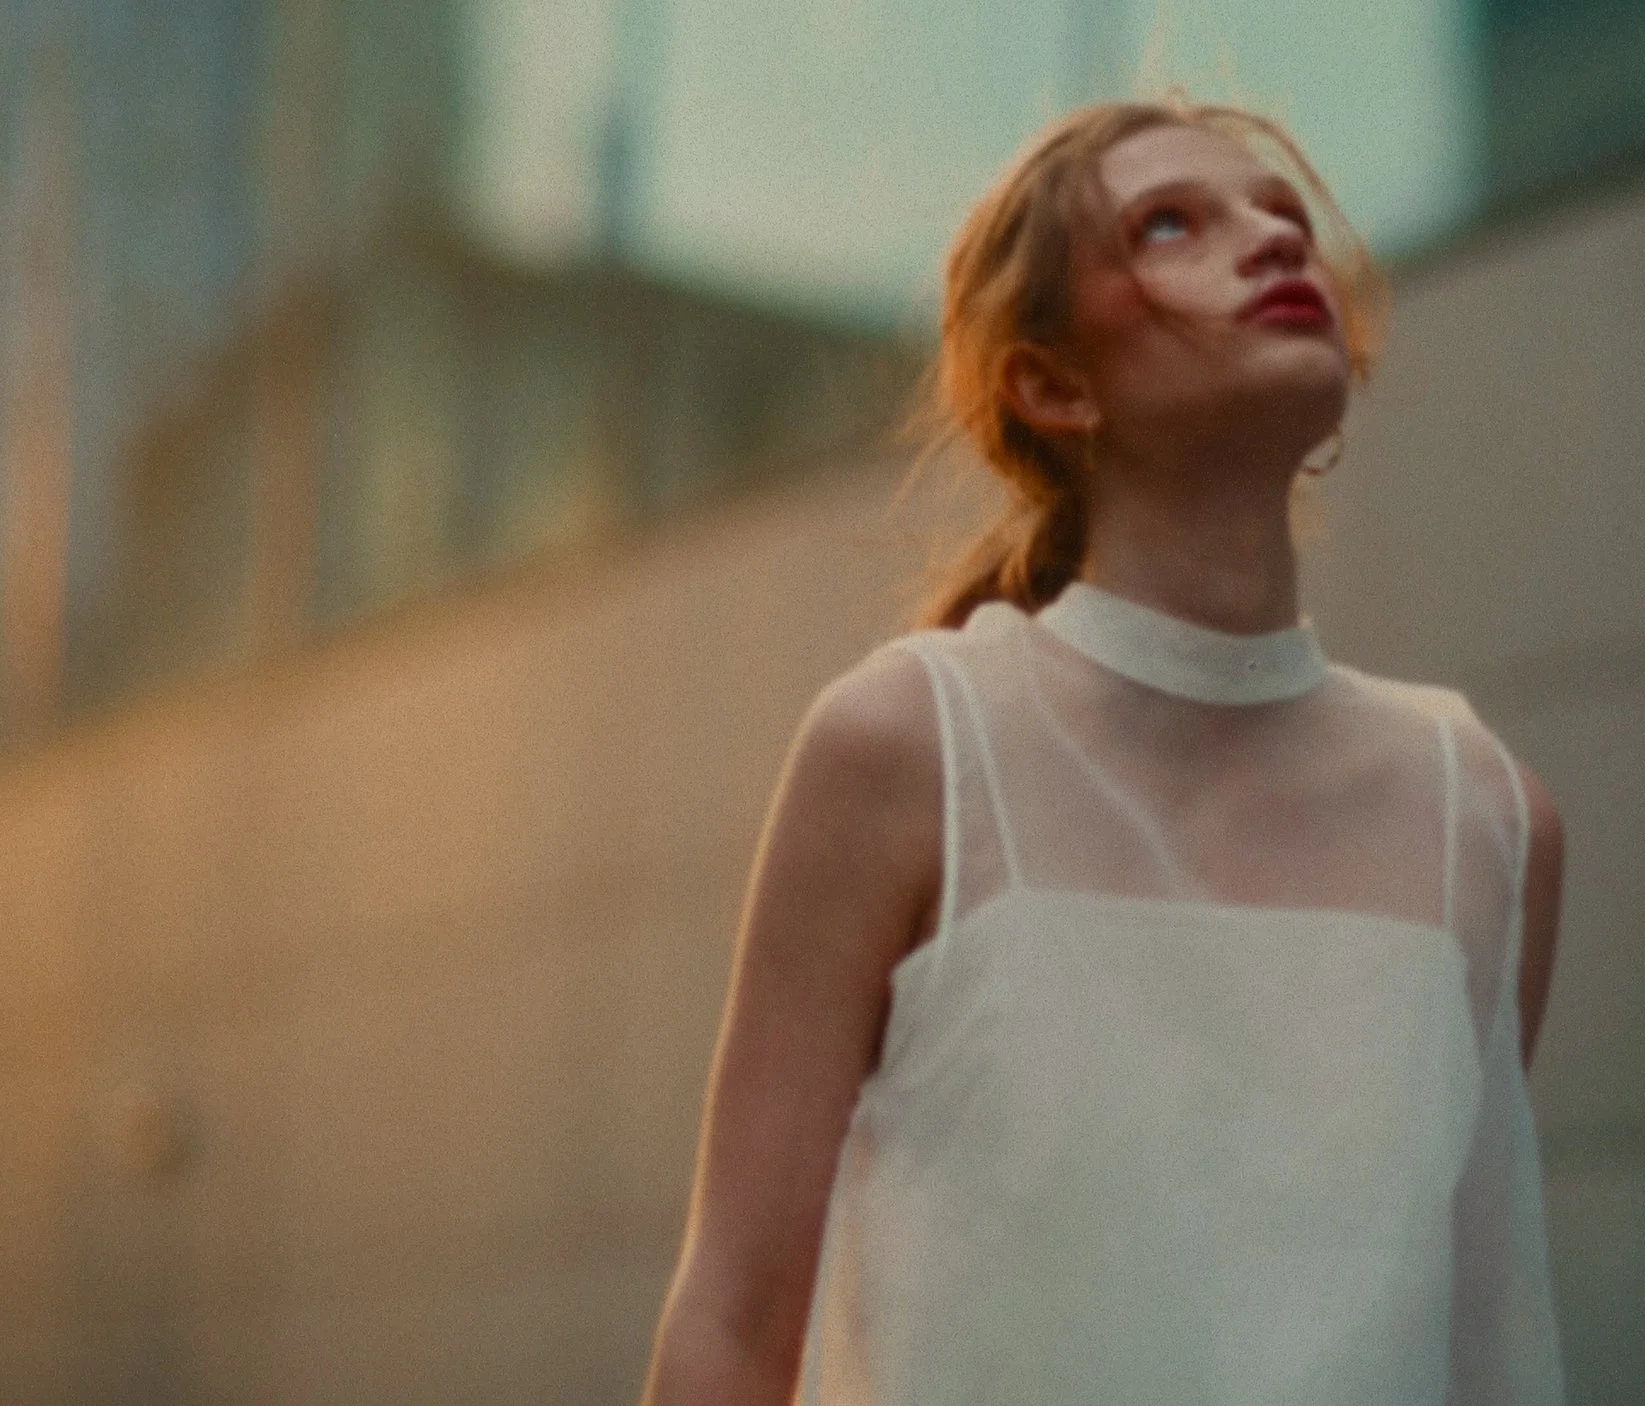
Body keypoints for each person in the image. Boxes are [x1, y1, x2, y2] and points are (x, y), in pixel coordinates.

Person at [642, 97, 1568, 1406]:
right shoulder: (908, 750)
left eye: (1286, 218)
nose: (1271, 245)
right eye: (1173, 223)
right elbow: (733, 1327)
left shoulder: (1486, 818)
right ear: (1051, 381)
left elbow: (1472, 1350)